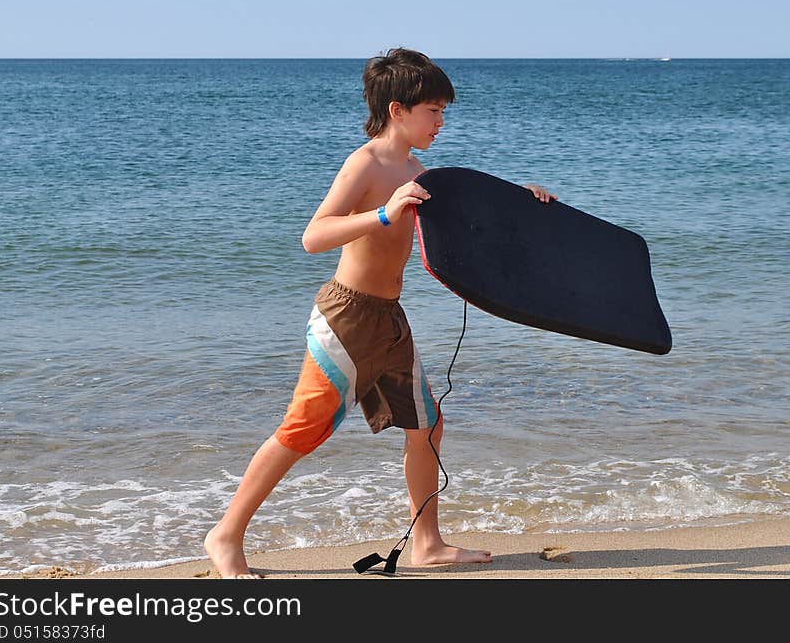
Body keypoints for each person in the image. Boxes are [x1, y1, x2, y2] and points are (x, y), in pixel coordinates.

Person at [205, 48, 556, 578]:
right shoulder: (366, 163)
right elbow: (313, 236)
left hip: (390, 318)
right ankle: (225, 536)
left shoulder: (419, 170)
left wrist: (522, 200)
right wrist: (383, 213)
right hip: (346, 317)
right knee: (303, 429)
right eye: (433, 111)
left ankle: (428, 543)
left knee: (428, 424)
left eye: (443, 111)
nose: (441, 122)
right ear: (397, 110)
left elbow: (474, 222)